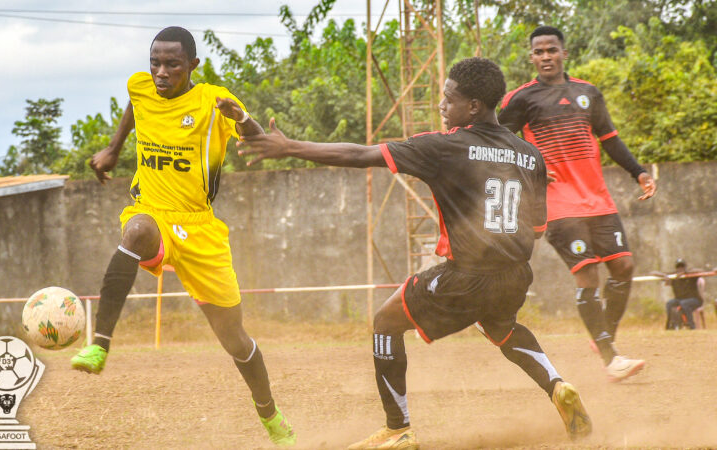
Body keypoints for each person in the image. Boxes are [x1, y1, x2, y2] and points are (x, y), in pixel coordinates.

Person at [239, 57, 592, 449]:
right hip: (515, 274)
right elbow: (538, 229)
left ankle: (398, 428)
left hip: (467, 274)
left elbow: (360, 155)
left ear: (473, 106)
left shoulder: (446, 146)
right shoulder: (531, 156)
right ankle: (557, 385)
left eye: (448, 98)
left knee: (386, 321)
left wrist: (289, 146)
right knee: (501, 327)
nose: (442, 105)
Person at [69, 27, 295, 446]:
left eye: (172, 64)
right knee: (135, 231)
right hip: (152, 212)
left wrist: (243, 119)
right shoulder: (140, 86)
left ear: (193, 65)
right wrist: (115, 148)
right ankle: (99, 344)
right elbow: (136, 107)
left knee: (235, 339)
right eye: (155, 62)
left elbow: (257, 137)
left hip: (200, 228)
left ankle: (270, 415)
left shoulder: (213, 100)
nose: (160, 72)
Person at [498, 25, 657, 382]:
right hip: (557, 203)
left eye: (551, 50)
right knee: (587, 274)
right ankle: (610, 358)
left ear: (564, 53)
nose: (545, 57)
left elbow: (611, 140)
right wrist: (531, 168)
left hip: (597, 199)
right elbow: (500, 143)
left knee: (624, 268)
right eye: (538, 52)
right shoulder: (521, 99)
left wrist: (639, 173)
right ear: (531, 57)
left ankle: (604, 338)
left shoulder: (588, 93)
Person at [651, 259, 707, 330]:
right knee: (670, 303)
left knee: (684, 303)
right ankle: (670, 325)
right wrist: (664, 276)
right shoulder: (674, 276)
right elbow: (653, 273)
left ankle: (691, 325)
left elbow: (701, 271)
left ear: (685, 267)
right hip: (680, 299)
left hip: (695, 300)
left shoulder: (691, 275)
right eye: (678, 267)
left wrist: (686, 273)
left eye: (682, 267)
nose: (680, 269)